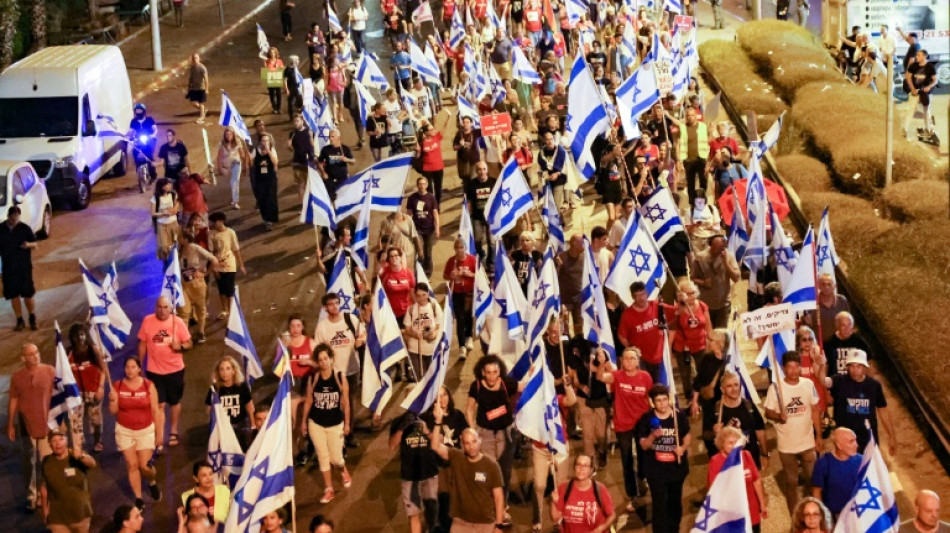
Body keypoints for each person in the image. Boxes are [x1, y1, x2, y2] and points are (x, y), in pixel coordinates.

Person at [764, 350, 823, 514]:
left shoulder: (808, 384)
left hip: (807, 442)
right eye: (789, 367)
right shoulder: (775, 388)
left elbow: (815, 410)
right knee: (791, 482)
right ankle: (794, 514)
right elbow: (767, 412)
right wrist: (778, 416)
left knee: (813, 478)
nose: (793, 371)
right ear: (783, 368)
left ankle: (813, 511)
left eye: (796, 366)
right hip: (786, 445)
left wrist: (819, 435)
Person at [597, 346, 653, 512]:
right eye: (626, 358)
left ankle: (642, 479)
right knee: (627, 460)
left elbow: (651, 397)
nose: (628, 361)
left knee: (644, 457)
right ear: (621, 361)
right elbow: (601, 377)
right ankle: (633, 494)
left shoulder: (645, 377)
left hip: (642, 423)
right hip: (623, 424)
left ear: (638, 361)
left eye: (632, 358)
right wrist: (601, 363)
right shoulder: (617, 376)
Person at [137, 296, 193, 450]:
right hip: (154, 371)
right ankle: (159, 438)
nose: (162, 310)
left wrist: (180, 346)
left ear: (170, 308)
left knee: (174, 402)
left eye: (165, 307)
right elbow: (142, 344)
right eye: (159, 307)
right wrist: (139, 366)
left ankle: (173, 431)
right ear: (155, 307)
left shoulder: (178, 322)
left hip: (175, 370)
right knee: (159, 404)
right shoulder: (147, 321)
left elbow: (189, 343)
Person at [466, 355, 523, 504]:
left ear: (500, 372)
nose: (491, 376)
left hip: (506, 434)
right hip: (485, 435)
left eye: (495, 372)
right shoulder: (476, 386)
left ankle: (502, 505)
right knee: (486, 469)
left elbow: (526, 388)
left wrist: (534, 373)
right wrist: (472, 431)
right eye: (488, 372)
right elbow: (469, 409)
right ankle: (486, 502)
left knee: (505, 471)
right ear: (482, 372)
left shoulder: (506, 384)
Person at [301, 343, 353, 504]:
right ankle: (328, 489)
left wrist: (347, 424)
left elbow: (345, 403)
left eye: (326, 358)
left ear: (331, 359)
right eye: (320, 359)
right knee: (323, 457)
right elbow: (309, 400)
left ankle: (343, 470)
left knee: (336, 459)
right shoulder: (314, 378)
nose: (323, 362)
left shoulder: (339, 377)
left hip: (335, 423)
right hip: (316, 423)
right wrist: (303, 422)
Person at [636, 384, 691, 533]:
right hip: (656, 472)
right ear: (653, 402)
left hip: (676, 470)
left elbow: (687, 436)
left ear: (669, 399)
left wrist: (683, 448)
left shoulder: (678, 416)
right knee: (659, 505)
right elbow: (644, 446)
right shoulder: (647, 419)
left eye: (665, 399)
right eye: (658, 400)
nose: (662, 403)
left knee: (674, 504)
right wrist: (653, 436)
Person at [430, 426, 507, 532]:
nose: (472, 446)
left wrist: (499, 526)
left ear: (479, 440)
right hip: (461, 523)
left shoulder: (491, 465)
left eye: (474, 441)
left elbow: (498, 497)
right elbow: (435, 446)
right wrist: (438, 423)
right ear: (462, 444)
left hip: (485, 524)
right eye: (467, 443)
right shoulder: (456, 457)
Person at [108, 356, 161, 508]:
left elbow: (156, 411)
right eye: (127, 367)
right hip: (125, 431)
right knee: (132, 465)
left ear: (139, 369)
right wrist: (112, 401)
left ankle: (152, 482)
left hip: (145, 430)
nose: (130, 370)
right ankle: (138, 499)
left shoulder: (148, 385)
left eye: (133, 367)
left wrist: (159, 435)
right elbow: (113, 411)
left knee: (145, 466)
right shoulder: (117, 386)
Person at [7, 343, 55, 512]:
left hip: (46, 424)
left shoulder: (50, 371)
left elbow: (58, 395)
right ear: (23, 358)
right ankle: (31, 495)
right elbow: (13, 399)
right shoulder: (17, 377)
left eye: (36, 352)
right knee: (29, 461)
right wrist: (10, 423)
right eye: (31, 354)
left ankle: (45, 494)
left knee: (47, 461)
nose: (36, 356)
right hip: (26, 424)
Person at [313, 292, 365, 444]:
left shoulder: (350, 319)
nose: (334, 306)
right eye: (330, 304)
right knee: (335, 403)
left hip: (352, 369)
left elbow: (363, 333)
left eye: (336, 303)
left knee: (350, 401)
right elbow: (317, 350)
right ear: (325, 307)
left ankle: (349, 433)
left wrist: (360, 341)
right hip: (333, 373)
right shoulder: (322, 327)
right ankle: (335, 433)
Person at [823, 349, 895, 454]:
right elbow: (824, 381)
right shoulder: (839, 381)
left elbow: (882, 410)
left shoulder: (874, 386)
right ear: (847, 367)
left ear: (865, 368)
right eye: (852, 366)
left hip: (867, 439)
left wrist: (891, 436)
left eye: (859, 366)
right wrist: (821, 366)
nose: (855, 370)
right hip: (845, 441)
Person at [389, 411, 441, 533]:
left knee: (432, 513)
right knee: (414, 515)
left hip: (430, 473)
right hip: (410, 477)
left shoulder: (430, 418)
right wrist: (402, 428)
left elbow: (438, 443)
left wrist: (426, 430)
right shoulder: (399, 421)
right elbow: (392, 445)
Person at [708, 427, 766, 532]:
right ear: (722, 444)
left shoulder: (746, 455)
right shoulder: (716, 461)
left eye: (736, 442)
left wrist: (762, 503)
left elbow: (756, 480)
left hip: (751, 510)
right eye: (730, 443)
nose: (734, 446)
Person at [669, 280, 713, 401]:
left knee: (703, 371)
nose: (691, 296)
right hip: (682, 346)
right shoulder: (677, 309)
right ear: (681, 294)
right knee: (685, 374)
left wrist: (711, 341)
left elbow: (708, 326)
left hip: (700, 345)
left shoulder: (702, 306)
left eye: (693, 292)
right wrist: (669, 350)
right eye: (688, 294)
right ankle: (689, 397)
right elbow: (672, 330)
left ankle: (703, 396)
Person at [713, 371, 769, 469]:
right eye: (729, 386)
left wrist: (764, 455)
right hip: (730, 463)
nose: (734, 389)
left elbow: (760, 431)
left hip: (752, 459)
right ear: (722, 389)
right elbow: (708, 437)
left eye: (736, 385)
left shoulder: (749, 406)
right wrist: (715, 433)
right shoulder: (716, 411)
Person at [550, 454, 616, 533]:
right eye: (578, 464)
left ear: (591, 470)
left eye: (585, 466)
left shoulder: (600, 489)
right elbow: (556, 518)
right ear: (574, 467)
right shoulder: (564, 488)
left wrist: (600, 529)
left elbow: (612, 515)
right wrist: (554, 501)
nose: (581, 468)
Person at [67, 324, 107, 452]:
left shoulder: (93, 350)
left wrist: (101, 388)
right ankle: (78, 445)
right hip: (77, 394)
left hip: (94, 391)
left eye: (82, 334)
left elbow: (104, 370)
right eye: (77, 335)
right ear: (72, 337)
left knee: (95, 418)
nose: (80, 338)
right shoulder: (69, 353)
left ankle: (97, 441)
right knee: (76, 420)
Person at [690, 234, 740, 329]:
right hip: (705, 305)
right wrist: (703, 283)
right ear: (710, 245)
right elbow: (692, 278)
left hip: (723, 304)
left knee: (720, 335)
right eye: (716, 249)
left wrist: (725, 262)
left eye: (721, 249)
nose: (718, 252)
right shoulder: (700, 258)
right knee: (707, 334)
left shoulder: (729, 256)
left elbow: (736, 278)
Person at [0, 207, 38, 331]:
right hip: (8, 268)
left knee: (28, 294)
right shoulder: (1, 229)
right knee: (13, 295)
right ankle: (19, 320)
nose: (14, 220)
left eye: (17, 217)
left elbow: (35, 244)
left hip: (24, 268)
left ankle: (32, 318)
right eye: (12, 217)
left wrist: (28, 245)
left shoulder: (25, 229)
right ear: (9, 216)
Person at [811, 427, 861, 519]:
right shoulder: (824, 463)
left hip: (857, 514)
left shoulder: (861, 460)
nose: (856, 445)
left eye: (855, 440)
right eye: (851, 442)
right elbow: (816, 492)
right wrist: (824, 516)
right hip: (835, 516)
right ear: (839, 445)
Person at [205, 357, 255, 448]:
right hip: (223, 426)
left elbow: (249, 405)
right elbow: (209, 409)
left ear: (233, 371)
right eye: (222, 369)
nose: (225, 373)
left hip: (241, 424)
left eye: (228, 369)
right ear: (218, 372)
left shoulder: (241, 386)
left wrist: (253, 423)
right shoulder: (215, 389)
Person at [444, 238, 477, 360]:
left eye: (461, 247)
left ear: (465, 248)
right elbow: (445, 275)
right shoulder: (451, 262)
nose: (459, 250)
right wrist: (450, 276)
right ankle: (461, 346)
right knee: (460, 318)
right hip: (457, 293)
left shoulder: (472, 260)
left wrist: (470, 275)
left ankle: (469, 336)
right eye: (457, 248)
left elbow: (480, 275)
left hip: (469, 293)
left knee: (469, 317)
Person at [209, 212, 245, 320]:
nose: (213, 224)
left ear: (221, 221)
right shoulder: (211, 234)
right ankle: (225, 309)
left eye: (214, 222)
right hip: (218, 264)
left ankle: (231, 310)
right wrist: (214, 267)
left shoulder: (231, 233)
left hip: (230, 263)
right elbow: (210, 253)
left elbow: (236, 249)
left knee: (229, 287)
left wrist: (241, 265)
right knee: (221, 288)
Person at [404, 283, 443, 379]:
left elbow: (440, 326)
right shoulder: (411, 309)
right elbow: (407, 328)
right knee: (420, 378)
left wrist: (434, 334)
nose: (421, 298)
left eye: (424, 295)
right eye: (418, 296)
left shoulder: (434, 306)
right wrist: (414, 334)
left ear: (428, 294)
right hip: (415, 349)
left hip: (431, 349)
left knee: (432, 377)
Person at [406, 177, 440, 277]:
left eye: (424, 184)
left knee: (428, 252)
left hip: (429, 229)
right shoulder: (412, 198)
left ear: (427, 185)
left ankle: (428, 273)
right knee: (419, 252)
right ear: (417, 185)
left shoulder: (431, 197)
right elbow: (409, 214)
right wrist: (409, 228)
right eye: (420, 184)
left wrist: (437, 228)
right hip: (417, 229)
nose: (422, 186)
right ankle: (418, 273)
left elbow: (435, 213)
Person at [464, 163, 497, 267]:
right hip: (477, 217)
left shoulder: (493, 182)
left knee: (491, 242)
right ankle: (481, 255)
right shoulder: (471, 184)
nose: (482, 172)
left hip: (491, 218)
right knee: (477, 241)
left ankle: (491, 263)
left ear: (487, 170)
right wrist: (467, 216)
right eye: (479, 170)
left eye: (484, 169)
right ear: (476, 171)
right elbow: (468, 201)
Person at [801, 273, 849, 343]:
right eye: (823, 284)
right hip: (819, 346)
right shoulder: (811, 304)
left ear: (835, 286)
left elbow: (849, 323)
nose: (826, 287)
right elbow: (805, 330)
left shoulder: (842, 301)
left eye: (829, 284)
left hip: (839, 344)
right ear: (818, 286)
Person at [675, 107, 710, 204]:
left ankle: (703, 200)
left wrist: (709, 160)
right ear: (686, 117)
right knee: (690, 183)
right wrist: (678, 160)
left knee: (703, 180)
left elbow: (708, 140)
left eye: (692, 115)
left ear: (696, 116)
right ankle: (692, 202)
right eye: (688, 116)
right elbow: (677, 144)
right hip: (688, 160)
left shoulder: (703, 126)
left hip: (701, 158)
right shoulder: (682, 127)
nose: (690, 117)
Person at [903, 49, 937, 141]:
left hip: (925, 93)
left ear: (924, 56)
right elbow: (908, 77)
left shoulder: (930, 67)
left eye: (919, 55)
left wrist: (929, 87)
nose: (916, 57)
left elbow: (935, 80)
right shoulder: (913, 66)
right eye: (916, 55)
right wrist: (912, 88)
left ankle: (928, 129)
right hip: (915, 92)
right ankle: (904, 130)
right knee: (910, 110)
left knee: (926, 111)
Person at [823, 311, 871, 376]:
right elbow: (825, 366)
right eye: (843, 325)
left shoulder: (859, 342)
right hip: (836, 382)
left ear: (852, 326)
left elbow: (869, 362)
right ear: (837, 326)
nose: (847, 329)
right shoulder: (829, 343)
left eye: (849, 325)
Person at [216, 128, 251, 210]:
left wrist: (246, 163)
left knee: (235, 182)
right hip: (227, 165)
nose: (229, 136)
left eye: (230, 134)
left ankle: (235, 201)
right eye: (227, 135)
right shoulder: (221, 144)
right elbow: (219, 156)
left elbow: (242, 154)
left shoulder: (237, 142)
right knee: (232, 183)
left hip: (236, 163)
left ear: (233, 135)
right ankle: (233, 197)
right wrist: (219, 167)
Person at [317, 129, 355, 200]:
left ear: (338, 138)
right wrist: (323, 173)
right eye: (329, 137)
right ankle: (333, 210)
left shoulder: (345, 149)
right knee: (331, 197)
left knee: (344, 196)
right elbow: (319, 162)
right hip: (329, 178)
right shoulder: (325, 149)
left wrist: (347, 159)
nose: (330, 139)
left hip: (342, 178)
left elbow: (353, 161)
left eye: (333, 137)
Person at [252, 132, 280, 230]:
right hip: (260, 179)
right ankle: (265, 218)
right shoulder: (256, 151)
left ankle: (270, 220)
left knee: (271, 199)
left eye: (267, 141)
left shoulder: (272, 150)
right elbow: (251, 162)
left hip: (270, 179)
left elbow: (275, 162)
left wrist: (268, 151)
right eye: (263, 141)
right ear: (260, 142)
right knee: (262, 199)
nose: (265, 143)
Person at [415, 124, 446, 205]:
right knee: (429, 190)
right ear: (426, 132)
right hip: (427, 170)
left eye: (433, 129)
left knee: (438, 189)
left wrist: (448, 118)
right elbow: (417, 157)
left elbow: (444, 129)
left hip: (438, 168)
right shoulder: (421, 143)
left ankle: (437, 205)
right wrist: (418, 151)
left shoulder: (437, 137)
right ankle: (431, 206)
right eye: (431, 130)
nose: (433, 130)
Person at [151, 178, 180, 261]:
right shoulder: (155, 198)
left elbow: (177, 203)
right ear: (162, 187)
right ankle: (166, 262)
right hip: (162, 225)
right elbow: (153, 213)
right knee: (164, 246)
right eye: (168, 184)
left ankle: (176, 262)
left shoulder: (173, 194)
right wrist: (163, 214)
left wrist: (174, 209)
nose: (170, 185)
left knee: (175, 243)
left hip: (173, 223)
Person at [288, 113, 315, 202]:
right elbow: (291, 149)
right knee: (300, 184)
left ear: (302, 121)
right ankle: (303, 204)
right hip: (297, 162)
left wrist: (311, 137)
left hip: (308, 161)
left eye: (297, 121)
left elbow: (313, 145)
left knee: (310, 184)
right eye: (294, 122)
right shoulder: (292, 134)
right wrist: (289, 146)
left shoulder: (309, 131)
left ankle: (311, 202)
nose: (295, 123)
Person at [186, 54, 209, 123]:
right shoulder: (192, 68)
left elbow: (206, 79)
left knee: (201, 103)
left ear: (199, 59)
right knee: (192, 102)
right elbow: (191, 78)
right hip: (194, 88)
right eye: (193, 58)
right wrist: (189, 86)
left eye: (196, 58)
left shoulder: (202, 68)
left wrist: (207, 89)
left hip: (201, 88)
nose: (195, 60)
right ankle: (203, 110)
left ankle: (202, 116)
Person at [264, 48, 285, 114]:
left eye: (273, 52)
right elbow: (265, 71)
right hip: (270, 79)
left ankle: (279, 108)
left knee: (278, 94)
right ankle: (274, 108)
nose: (272, 54)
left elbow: (283, 68)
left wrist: (278, 67)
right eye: (271, 52)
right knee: (272, 95)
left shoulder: (279, 61)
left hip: (277, 78)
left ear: (276, 53)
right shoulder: (266, 61)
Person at [284, 55, 304, 122]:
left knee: (300, 102)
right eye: (297, 60)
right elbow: (285, 80)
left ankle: (300, 115)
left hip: (297, 88)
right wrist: (286, 89)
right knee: (291, 103)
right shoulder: (287, 70)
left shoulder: (295, 68)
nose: (298, 61)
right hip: (291, 88)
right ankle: (291, 117)